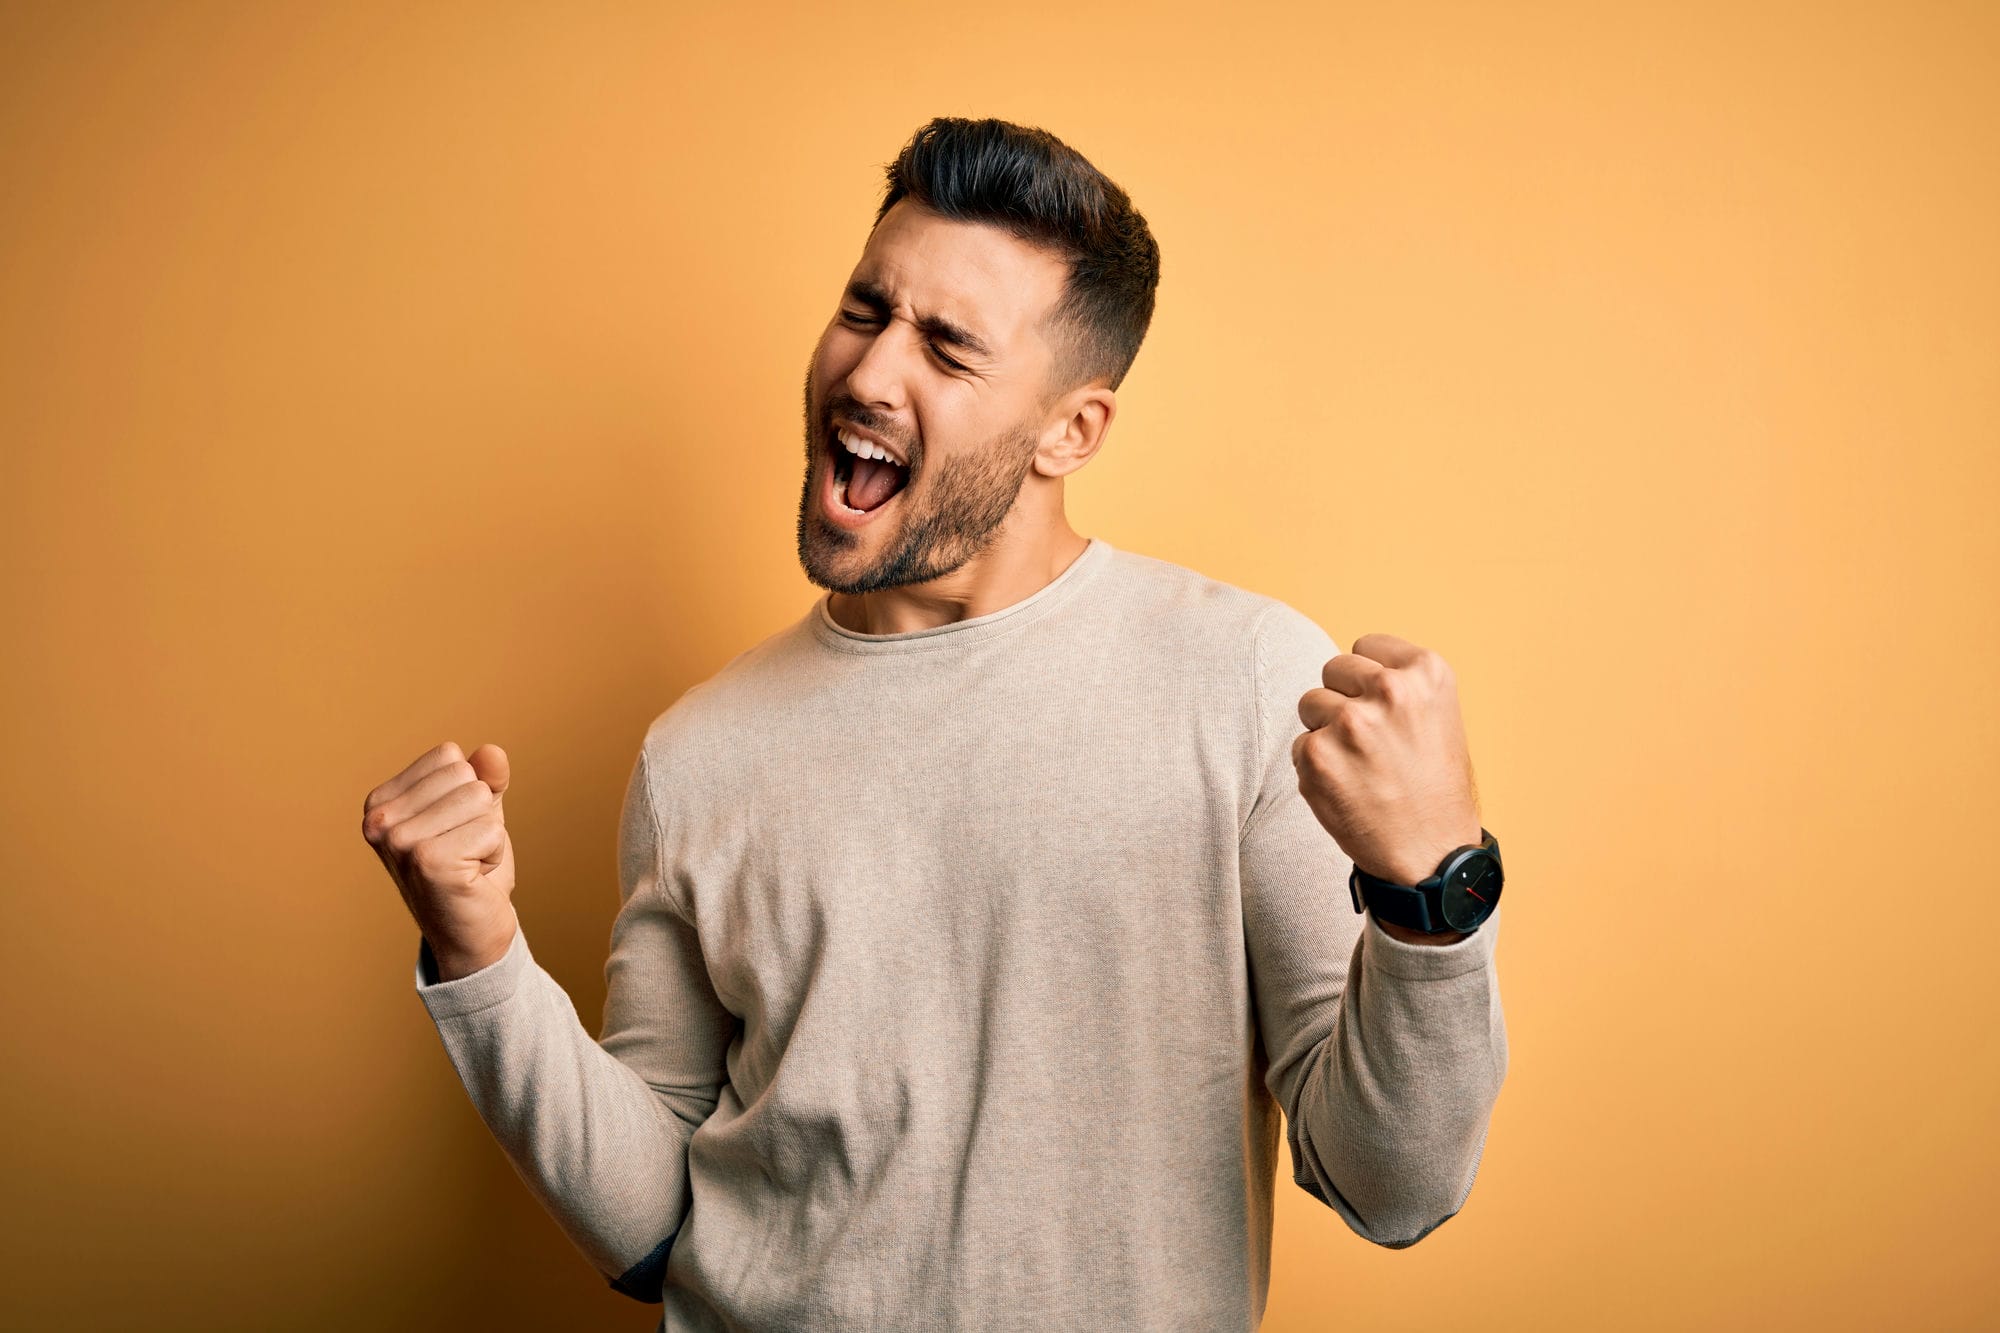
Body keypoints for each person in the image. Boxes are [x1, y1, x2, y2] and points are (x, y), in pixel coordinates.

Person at [361, 115, 1509, 1332]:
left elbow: (1393, 1184)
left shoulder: (1241, 682)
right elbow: (653, 1223)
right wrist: (481, 960)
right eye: (864, 310)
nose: (866, 374)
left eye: (948, 350)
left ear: (1070, 430)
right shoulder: (695, 753)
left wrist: (1430, 887)